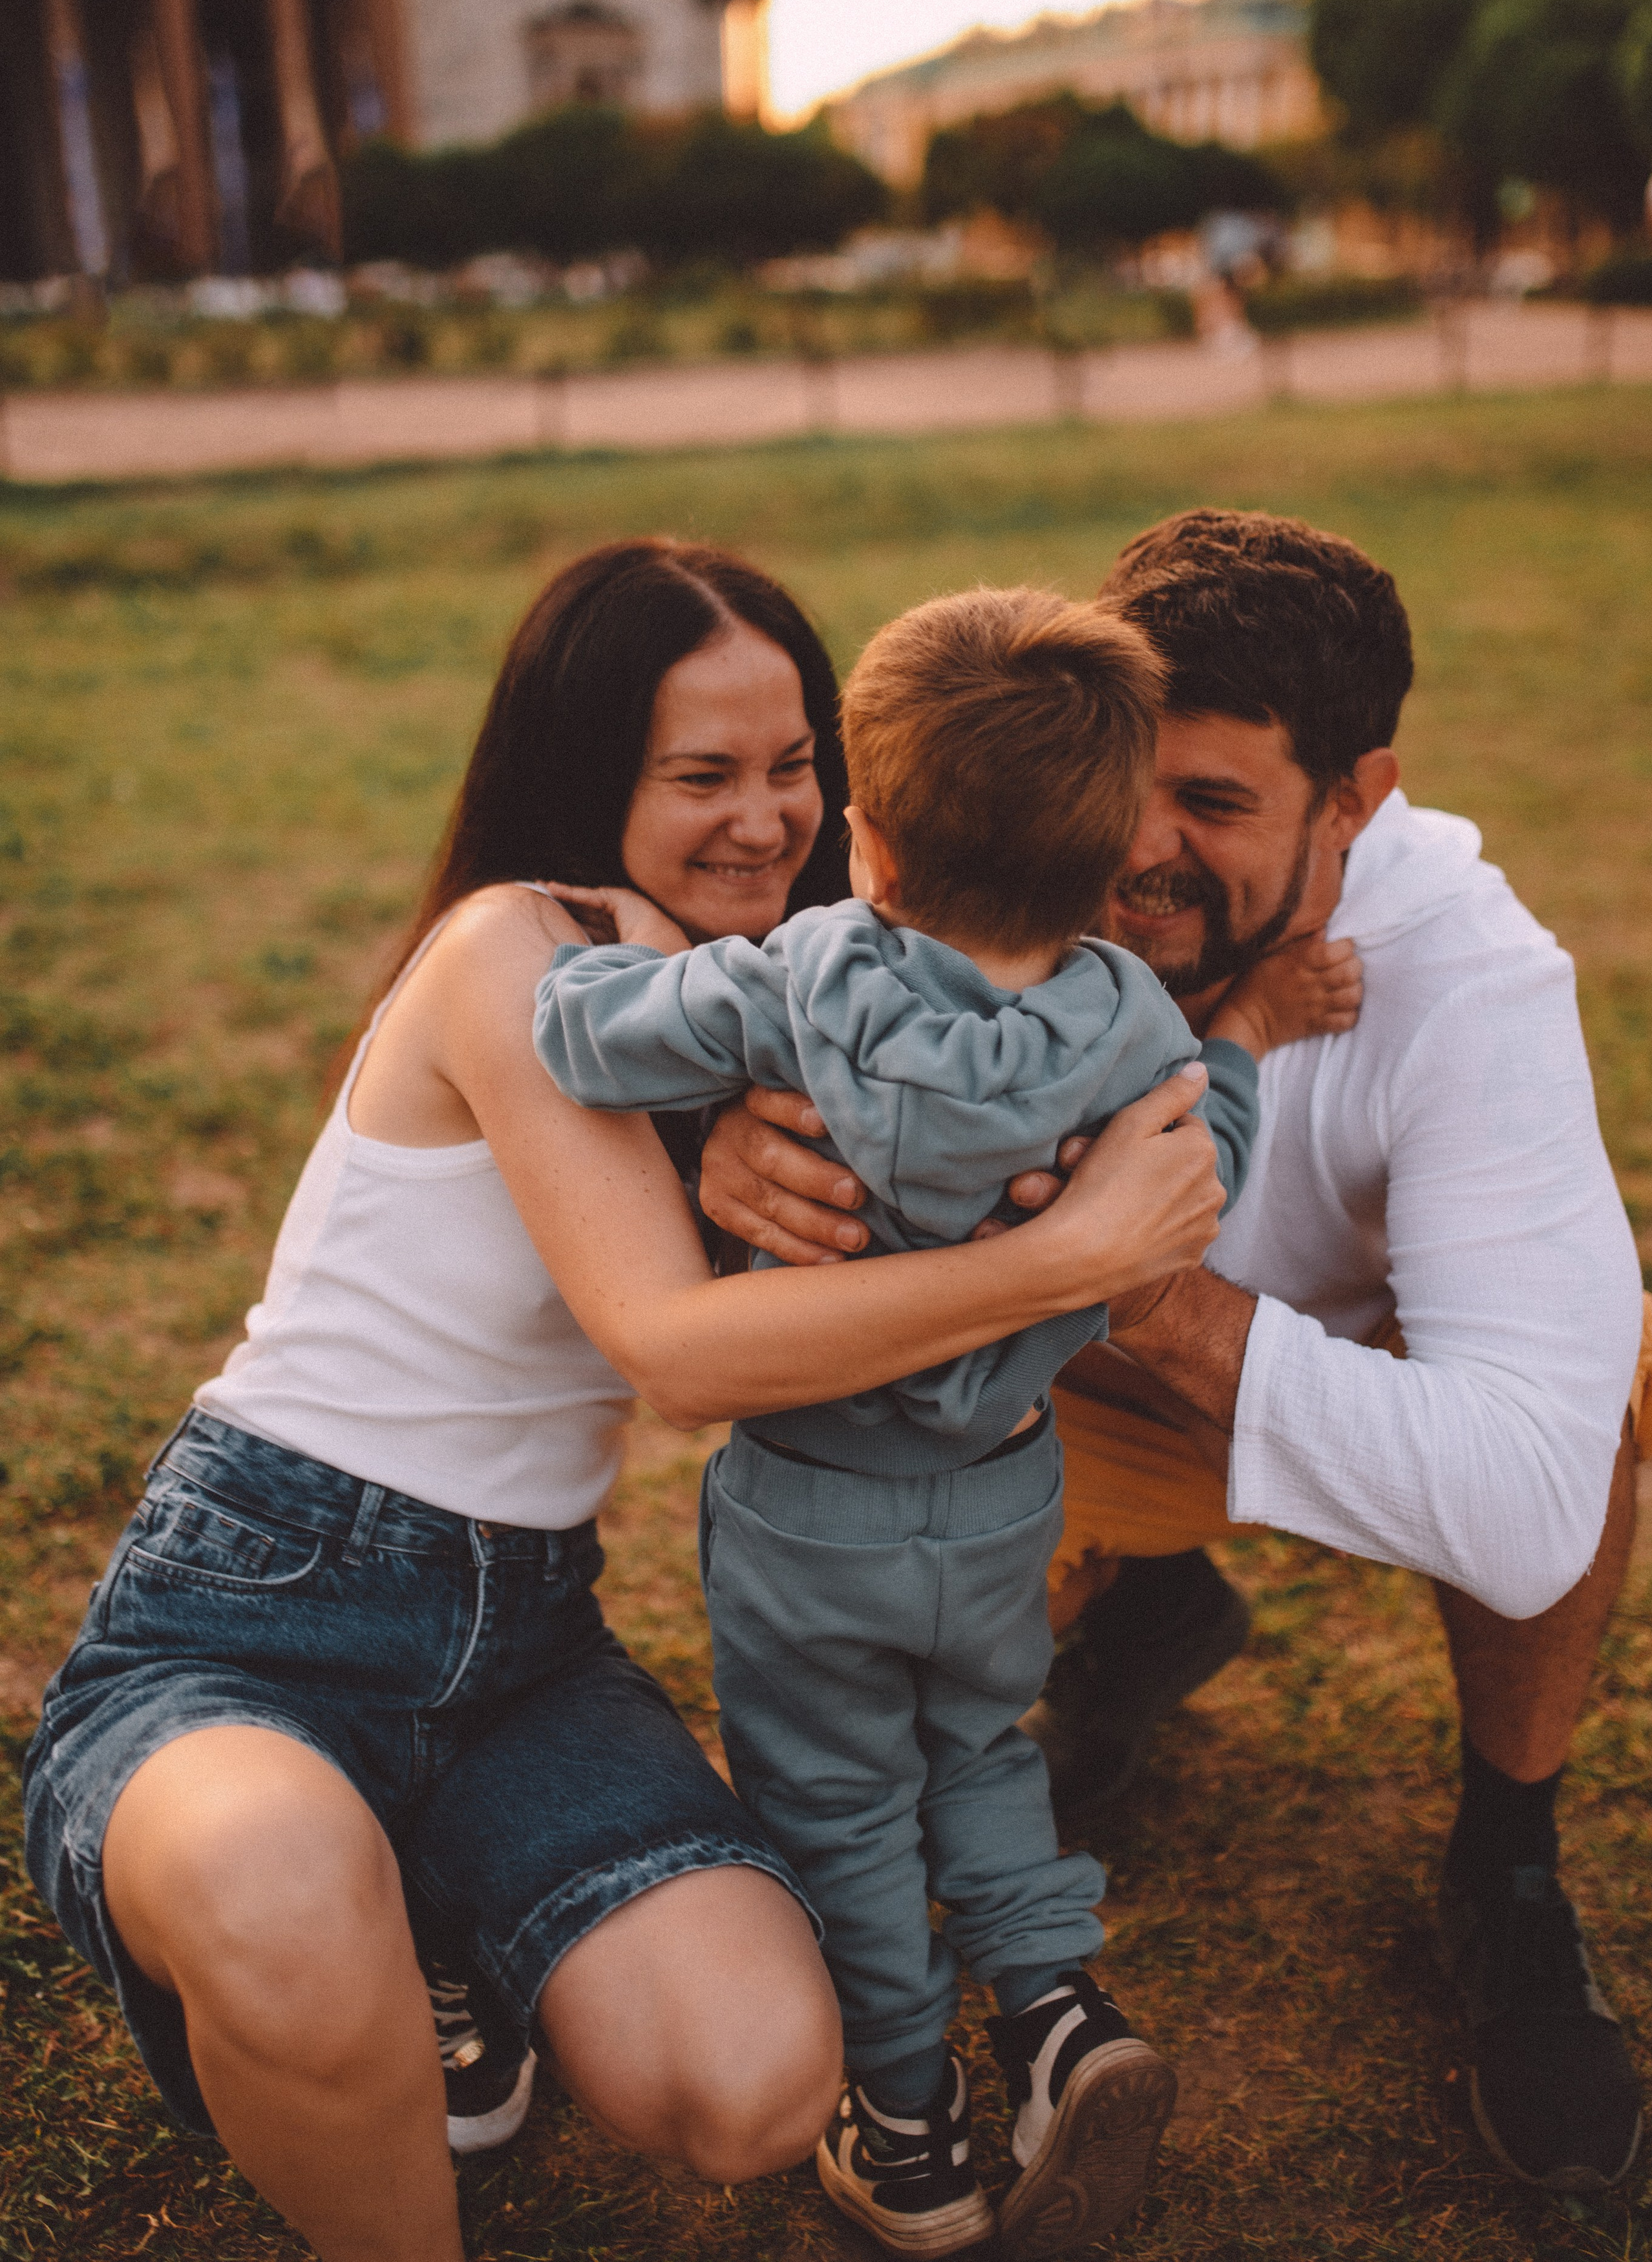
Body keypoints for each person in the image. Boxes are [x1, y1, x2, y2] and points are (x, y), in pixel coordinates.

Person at [23, 539, 1229, 2262]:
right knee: (283, 1891)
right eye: (702, 776)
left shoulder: (824, 990)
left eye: (798, 765)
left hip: (522, 1648)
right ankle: (357, 1923)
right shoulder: (521, 947)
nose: (766, 817)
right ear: (595, 773)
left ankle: (423, 1905)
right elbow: (670, 1353)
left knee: (752, 2079)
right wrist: (1076, 1254)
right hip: (263, 1606)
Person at [695, 509, 1652, 2200]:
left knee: (1602, 1388)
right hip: (1053, 1386)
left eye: (1214, 807)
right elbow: (764, 982)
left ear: (1360, 797)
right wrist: (725, 1143)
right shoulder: (1023, 831)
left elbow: (1520, 1505)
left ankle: (1506, 1863)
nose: (1137, 851)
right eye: (1135, 779)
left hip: (1302, 1361)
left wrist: (1143, 1286)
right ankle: (1133, 1609)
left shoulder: (1471, 978)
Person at [533, 585, 1360, 2259]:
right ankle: (1056, 2009)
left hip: (807, 1507)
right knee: (977, 1752)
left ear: (873, 845)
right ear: (1113, 853)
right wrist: (1253, 1040)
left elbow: (578, 1036)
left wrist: (604, 974)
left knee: (835, 1801)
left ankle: (908, 2128)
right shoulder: (1134, 1021)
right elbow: (1207, 1173)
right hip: (998, 1506)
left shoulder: (799, 978)